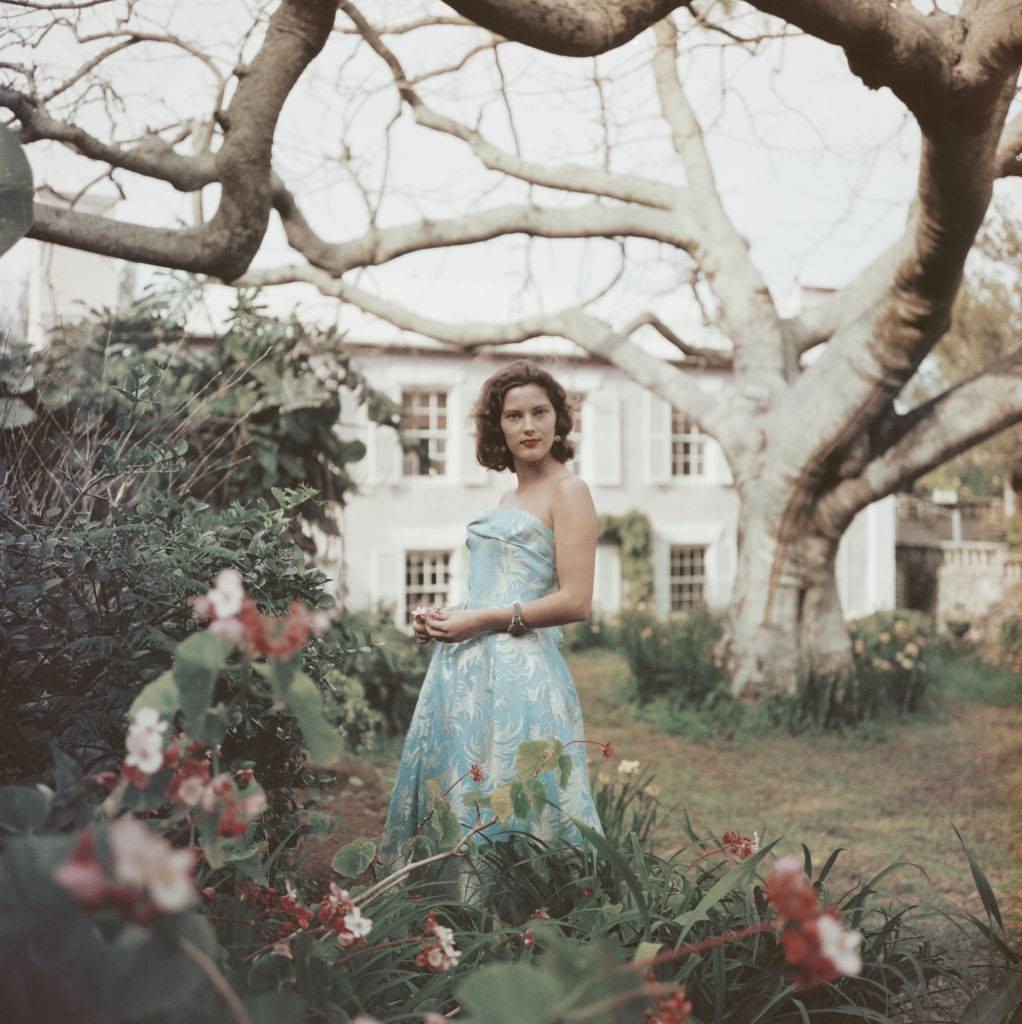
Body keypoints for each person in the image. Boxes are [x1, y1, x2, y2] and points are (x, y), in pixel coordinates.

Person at [375, 359, 607, 900]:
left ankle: (529, 923)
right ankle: (459, 917)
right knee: (466, 790)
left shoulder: (569, 491)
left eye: (540, 413)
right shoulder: (507, 499)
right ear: (496, 427)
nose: (528, 427)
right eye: (514, 415)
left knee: (513, 789)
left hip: (523, 677)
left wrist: (479, 620)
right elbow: (494, 589)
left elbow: (576, 601)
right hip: (465, 675)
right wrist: (446, 617)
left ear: (558, 421)